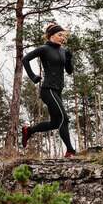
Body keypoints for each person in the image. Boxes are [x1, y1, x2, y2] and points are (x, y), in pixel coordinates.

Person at [21, 23, 76, 157]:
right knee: (64, 118)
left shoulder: (62, 51)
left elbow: (69, 71)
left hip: (58, 90)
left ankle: (29, 130)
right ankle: (70, 150)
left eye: (63, 35)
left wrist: (68, 59)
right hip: (48, 89)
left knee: (56, 123)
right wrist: (33, 76)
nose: (62, 38)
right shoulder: (44, 49)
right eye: (60, 35)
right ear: (52, 36)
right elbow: (25, 59)